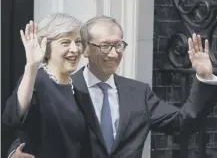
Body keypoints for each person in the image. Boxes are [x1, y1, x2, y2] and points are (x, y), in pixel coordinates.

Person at [6, 16, 217, 158]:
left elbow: (183, 122)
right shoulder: (67, 86)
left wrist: (204, 76)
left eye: (118, 45)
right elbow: (37, 127)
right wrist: (13, 151)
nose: (114, 53)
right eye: (105, 46)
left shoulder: (138, 93)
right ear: (86, 50)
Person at [2, 13, 91, 158]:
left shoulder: (77, 88)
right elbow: (15, 116)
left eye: (78, 41)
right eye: (65, 42)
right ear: (46, 46)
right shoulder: (36, 80)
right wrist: (31, 66)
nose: (75, 49)